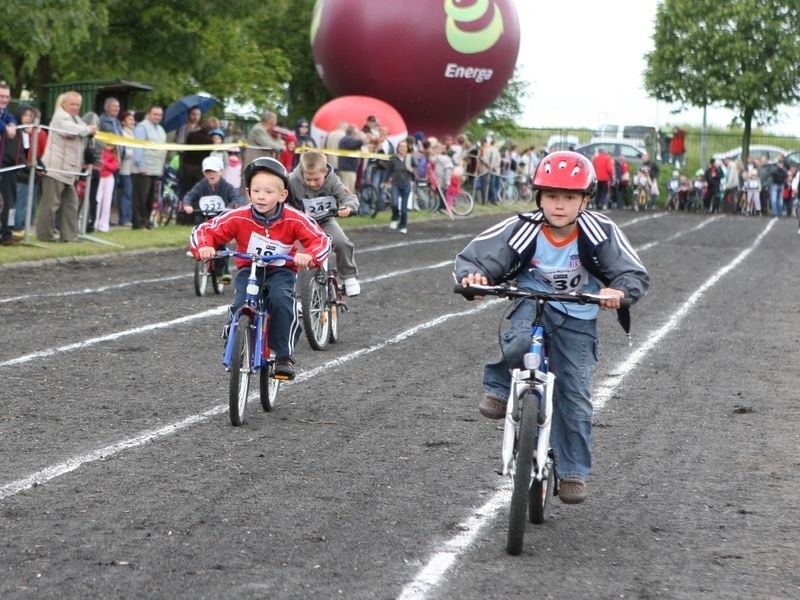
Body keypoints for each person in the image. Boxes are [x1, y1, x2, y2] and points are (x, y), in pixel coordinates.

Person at [453, 150, 650, 504]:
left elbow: (631, 271)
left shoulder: (601, 231)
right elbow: (477, 256)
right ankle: (498, 386)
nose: (560, 205)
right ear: (538, 197)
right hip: (533, 301)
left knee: (575, 396)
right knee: (518, 339)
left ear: (586, 201)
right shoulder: (522, 227)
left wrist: (617, 291)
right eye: (552, 196)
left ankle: (572, 471)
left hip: (579, 316)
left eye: (570, 197)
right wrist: (475, 278)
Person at [188, 157, 331, 380]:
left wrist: (309, 255)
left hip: (281, 270)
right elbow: (205, 230)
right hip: (250, 269)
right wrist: (205, 247)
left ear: (282, 195)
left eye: (268, 192)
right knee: (241, 300)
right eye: (256, 191)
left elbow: (320, 240)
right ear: (248, 192)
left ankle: (283, 355)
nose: (261, 196)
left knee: (281, 299)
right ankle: (235, 328)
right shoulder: (238, 216)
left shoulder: (295, 219)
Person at [286, 149, 361, 296]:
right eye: (308, 179)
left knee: (342, 243)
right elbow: (280, 198)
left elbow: (349, 197)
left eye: (317, 179)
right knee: (301, 256)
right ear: (302, 171)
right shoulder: (291, 181)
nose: (313, 183)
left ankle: (349, 277)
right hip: (301, 226)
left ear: (325, 171)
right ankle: (301, 297)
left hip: (325, 221)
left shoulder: (333, 180)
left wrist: (348, 207)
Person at [35, 91, 97, 242]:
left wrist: (89, 130)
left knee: (71, 204)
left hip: (69, 171)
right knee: (50, 206)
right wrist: (89, 129)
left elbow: (84, 130)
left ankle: (69, 237)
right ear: (64, 104)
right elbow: (73, 131)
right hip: (55, 169)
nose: (75, 107)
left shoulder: (75, 119)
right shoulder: (60, 117)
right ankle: (45, 236)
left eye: (78, 105)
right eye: (72, 104)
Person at [131, 105, 167, 229]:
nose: (157, 117)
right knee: (140, 197)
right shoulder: (142, 127)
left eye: (160, 115)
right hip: (143, 169)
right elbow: (138, 147)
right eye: (155, 114)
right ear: (149, 114)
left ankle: (146, 222)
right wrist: (140, 165)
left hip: (155, 169)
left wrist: (161, 167)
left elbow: (162, 149)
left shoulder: (161, 129)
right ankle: (138, 223)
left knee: (150, 198)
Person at [382, 138, 416, 234]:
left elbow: (417, 170)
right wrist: (384, 181)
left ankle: (403, 226)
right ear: (397, 148)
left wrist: (412, 170)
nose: (402, 148)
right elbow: (388, 171)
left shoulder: (410, 158)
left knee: (404, 209)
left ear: (407, 148)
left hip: (406, 185)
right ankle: (395, 217)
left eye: (404, 147)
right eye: (400, 146)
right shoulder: (393, 159)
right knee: (394, 204)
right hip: (396, 184)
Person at [94, 143, 119, 232]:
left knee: (107, 202)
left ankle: (104, 225)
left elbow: (115, 167)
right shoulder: (100, 152)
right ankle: (95, 222)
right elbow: (100, 164)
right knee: (97, 200)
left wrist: (105, 164)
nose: (109, 145)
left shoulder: (114, 155)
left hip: (109, 178)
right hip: (100, 177)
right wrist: (107, 165)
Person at [117, 111, 136, 226]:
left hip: (133, 169)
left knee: (131, 194)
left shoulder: (134, 133)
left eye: (133, 119)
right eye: (129, 119)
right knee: (126, 193)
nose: (132, 121)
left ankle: (129, 217)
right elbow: (124, 151)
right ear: (123, 122)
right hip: (125, 168)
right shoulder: (123, 133)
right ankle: (124, 219)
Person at [336, 125, 363, 193]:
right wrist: (362, 139)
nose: (358, 135)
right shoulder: (348, 140)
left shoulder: (346, 139)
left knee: (347, 190)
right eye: (357, 133)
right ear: (353, 133)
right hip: (348, 170)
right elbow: (356, 144)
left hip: (347, 169)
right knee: (348, 191)